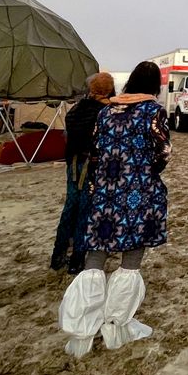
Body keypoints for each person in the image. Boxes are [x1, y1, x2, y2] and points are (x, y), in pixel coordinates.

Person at [59, 61, 170, 357]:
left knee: (96, 254)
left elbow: (95, 148)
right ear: (155, 85)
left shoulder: (107, 110)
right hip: (138, 190)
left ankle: (82, 328)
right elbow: (163, 151)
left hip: (106, 188)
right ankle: (117, 325)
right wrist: (143, 170)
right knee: (131, 256)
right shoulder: (153, 111)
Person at [51, 72, 114, 274]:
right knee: (86, 211)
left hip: (74, 164)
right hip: (93, 167)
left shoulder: (76, 110)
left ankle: (58, 255)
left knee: (70, 207)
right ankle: (78, 258)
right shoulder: (107, 112)